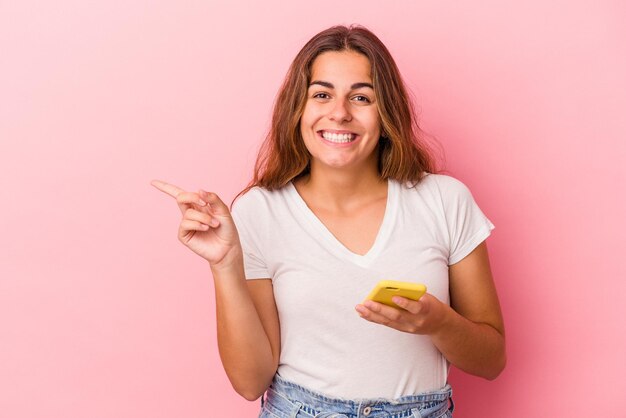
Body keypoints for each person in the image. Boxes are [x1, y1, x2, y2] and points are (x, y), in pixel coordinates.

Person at [152, 24, 505, 418]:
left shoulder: (444, 200)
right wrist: (225, 266)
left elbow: (491, 361)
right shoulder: (259, 211)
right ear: (298, 109)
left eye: (361, 97)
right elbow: (250, 382)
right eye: (321, 95)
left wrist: (439, 322)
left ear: (386, 111)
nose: (340, 113)